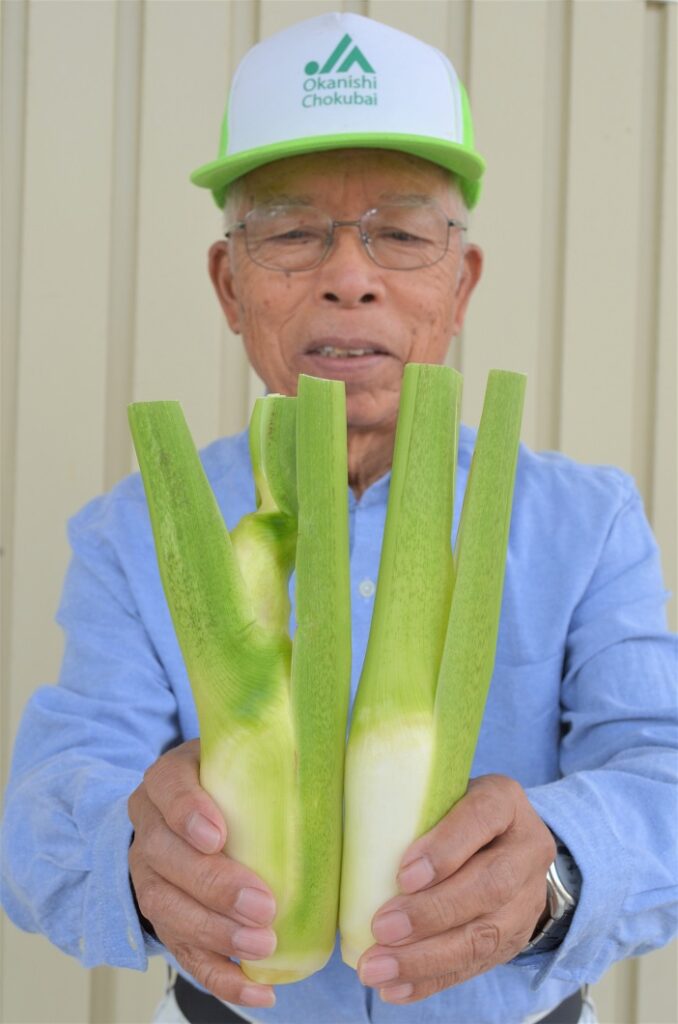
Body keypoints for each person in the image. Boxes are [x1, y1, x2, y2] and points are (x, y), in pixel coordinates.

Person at [2, 12, 676, 1024]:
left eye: (402, 233)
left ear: (460, 284)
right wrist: (133, 853)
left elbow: (662, 768)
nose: (348, 275)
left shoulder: (587, 521)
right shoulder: (132, 533)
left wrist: (558, 864)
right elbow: (54, 802)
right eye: (289, 230)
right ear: (231, 286)